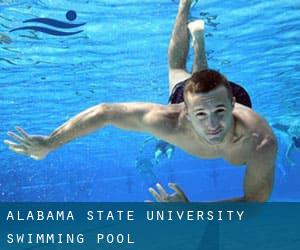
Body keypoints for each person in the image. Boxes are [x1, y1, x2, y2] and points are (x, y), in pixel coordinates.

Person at [4, 0, 277, 202]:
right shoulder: (170, 120)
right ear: (184, 110)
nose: (214, 124)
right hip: (202, 96)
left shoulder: (260, 141)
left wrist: (192, 211)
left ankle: (199, 43)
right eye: (201, 115)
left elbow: (254, 204)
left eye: (220, 111)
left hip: (224, 98)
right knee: (178, 71)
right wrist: (50, 142)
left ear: (232, 105)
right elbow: (105, 112)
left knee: (185, 75)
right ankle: (185, 6)